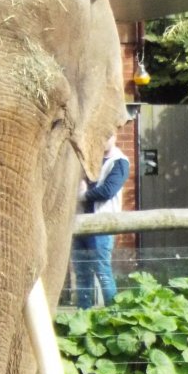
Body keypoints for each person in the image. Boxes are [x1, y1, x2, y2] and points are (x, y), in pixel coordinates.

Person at [72, 131, 130, 307]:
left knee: (102, 271)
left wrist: (82, 195)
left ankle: (114, 314)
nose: (104, 140)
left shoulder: (120, 162)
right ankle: (83, 316)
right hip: (80, 222)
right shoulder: (89, 161)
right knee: (82, 273)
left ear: (115, 137)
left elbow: (107, 191)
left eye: (108, 136)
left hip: (102, 225)